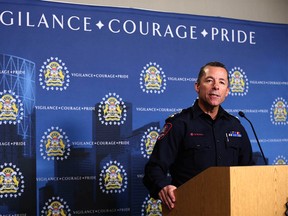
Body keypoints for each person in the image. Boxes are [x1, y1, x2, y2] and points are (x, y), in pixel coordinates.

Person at [143, 61, 254, 210]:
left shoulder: (235, 126)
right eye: (209, 80)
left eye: (221, 82)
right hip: (189, 206)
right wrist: (163, 187)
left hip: (230, 207)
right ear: (197, 86)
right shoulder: (179, 123)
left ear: (226, 91)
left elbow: (249, 170)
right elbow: (154, 168)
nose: (216, 86)